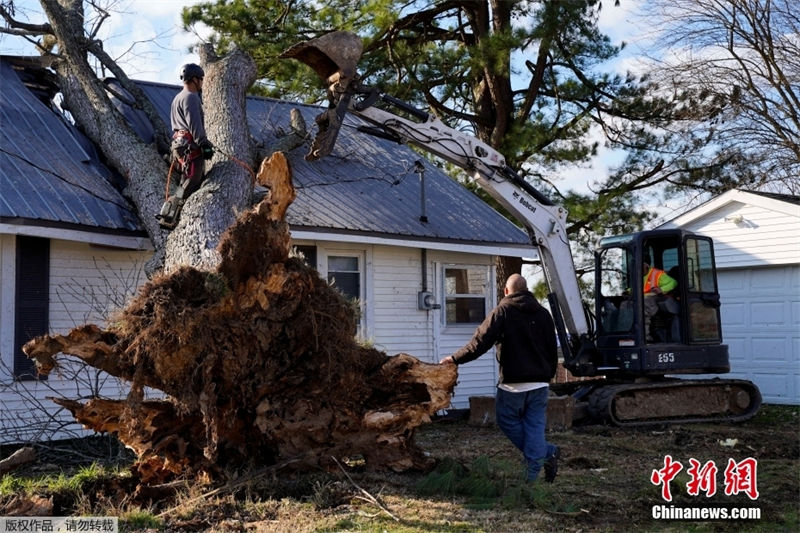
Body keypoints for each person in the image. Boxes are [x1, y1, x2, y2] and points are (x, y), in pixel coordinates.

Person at [440, 274, 560, 482]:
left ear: (506, 291)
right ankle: (544, 455)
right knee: (534, 426)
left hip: (514, 383)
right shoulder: (544, 314)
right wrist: (549, 375)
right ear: (526, 289)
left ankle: (534, 475)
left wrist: (455, 358)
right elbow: (552, 349)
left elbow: (479, 343)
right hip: (540, 382)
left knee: (506, 420)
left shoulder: (503, 311)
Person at [157, 63, 214, 228]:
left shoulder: (177, 98)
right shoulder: (191, 97)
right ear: (195, 79)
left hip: (179, 145)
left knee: (185, 181)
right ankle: (169, 214)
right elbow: (194, 124)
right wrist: (204, 144)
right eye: (201, 79)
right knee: (193, 180)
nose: (202, 83)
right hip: (190, 146)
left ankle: (174, 214)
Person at [642, 261, 678, 341]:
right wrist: (628, 291)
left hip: (656, 297)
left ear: (647, 267)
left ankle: (645, 336)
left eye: (642, 268)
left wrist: (662, 289)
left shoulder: (657, 274)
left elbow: (673, 282)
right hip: (644, 298)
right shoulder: (640, 275)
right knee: (626, 304)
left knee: (644, 308)